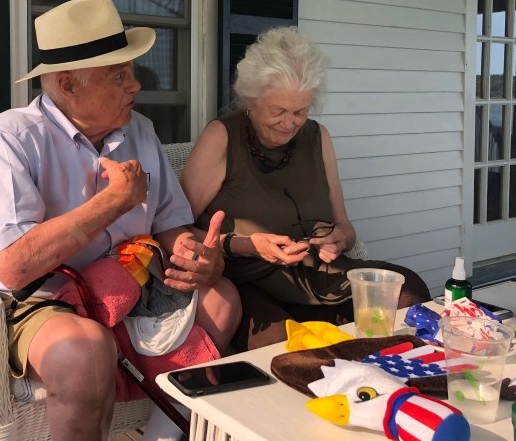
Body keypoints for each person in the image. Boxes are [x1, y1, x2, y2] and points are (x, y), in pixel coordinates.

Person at [0, 0, 241, 441]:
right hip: (41, 299)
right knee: (86, 349)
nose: (135, 85)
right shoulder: (11, 138)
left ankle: (161, 436)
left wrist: (195, 255)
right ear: (68, 84)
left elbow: (168, 224)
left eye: (131, 70)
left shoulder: (140, 129)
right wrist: (114, 202)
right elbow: (15, 267)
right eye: (119, 75)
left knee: (222, 299)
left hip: (130, 281)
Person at [180, 27, 431, 352]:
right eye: (278, 111)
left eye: (300, 112)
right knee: (289, 348)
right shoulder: (222, 136)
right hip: (249, 281)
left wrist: (338, 238)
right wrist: (246, 245)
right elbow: (174, 229)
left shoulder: (318, 137)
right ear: (251, 99)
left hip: (319, 276)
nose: (289, 124)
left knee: (409, 291)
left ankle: (387, 375)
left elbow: (345, 228)